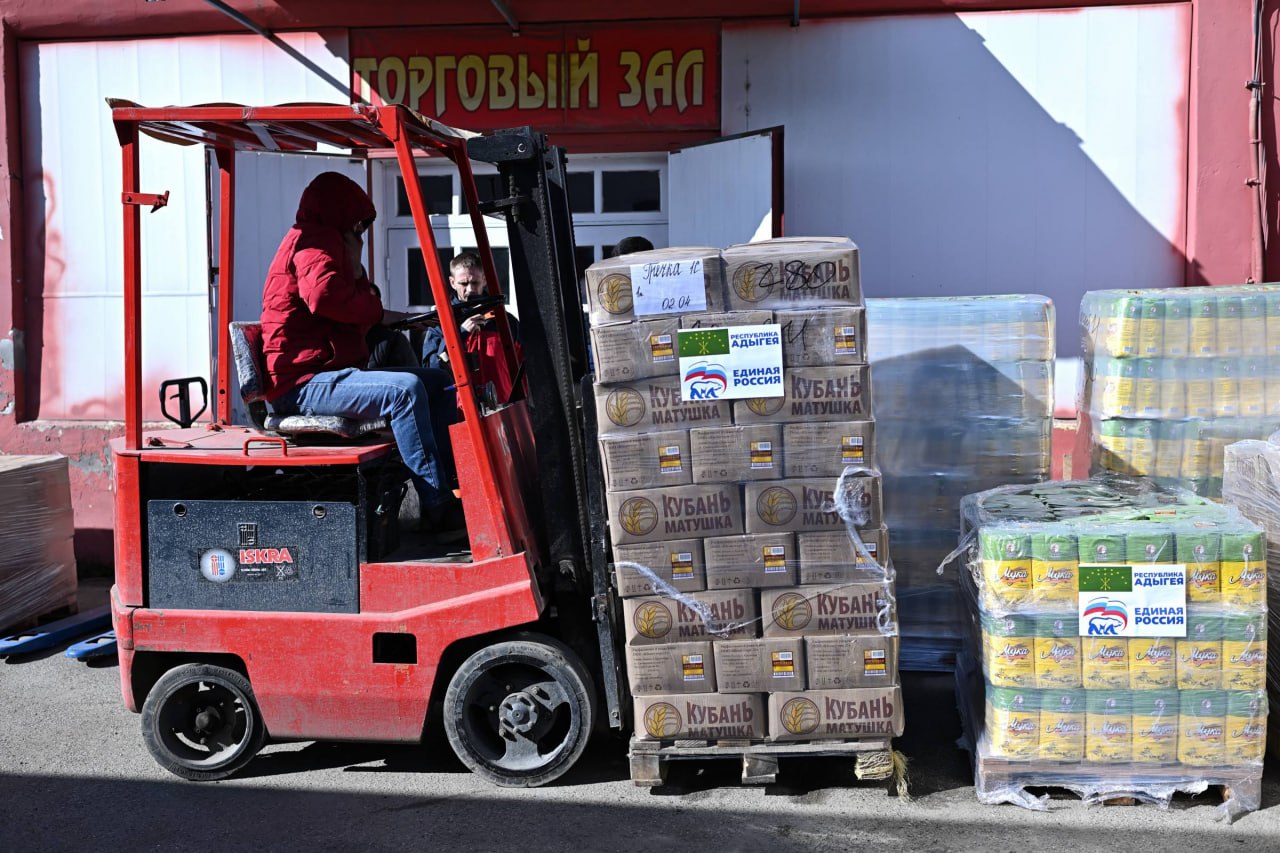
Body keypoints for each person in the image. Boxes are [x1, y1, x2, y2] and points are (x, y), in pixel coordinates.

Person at [258, 171, 464, 540]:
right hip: (303, 383)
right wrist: (365, 292)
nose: (362, 232)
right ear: (341, 212)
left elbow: (349, 302)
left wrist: (398, 318)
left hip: (323, 371)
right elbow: (323, 298)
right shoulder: (314, 241)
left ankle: (453, 487)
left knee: (438, 380)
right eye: (359, 224)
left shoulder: (327, 243)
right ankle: (436, 506)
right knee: (404, 392)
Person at [421, 251, 523, 404]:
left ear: (484, 280)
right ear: (452, 282)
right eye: (463, 283)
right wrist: (460, 334)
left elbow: (524, 368)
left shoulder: (504, 321)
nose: (469, 289)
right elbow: (431, 369)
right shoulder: (441, 322)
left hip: (503, 409)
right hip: (460, 412)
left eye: (474, 283)